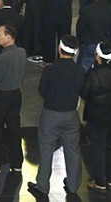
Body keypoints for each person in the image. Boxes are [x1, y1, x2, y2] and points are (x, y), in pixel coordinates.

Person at [27, 35, 85, 200]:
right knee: (72, 150)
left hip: (51, 114)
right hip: (71, 115)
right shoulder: (79, 70)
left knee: (46, 150)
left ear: (59, 49)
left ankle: (42, 186)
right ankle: (73, 185)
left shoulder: (50, 70)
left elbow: (43, 90)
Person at [80, 42, 111, 192]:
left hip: (97, 117)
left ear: (98, 56)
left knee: (98, 149)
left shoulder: (94, 74)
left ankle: (100, 182)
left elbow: (85, 93)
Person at [0, 24, 26, 174]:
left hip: (1, 96)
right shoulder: (22, 52)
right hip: (16, 94)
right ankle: (17, 163)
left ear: (8, 37)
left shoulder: (4, 57)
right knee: (14, 129)